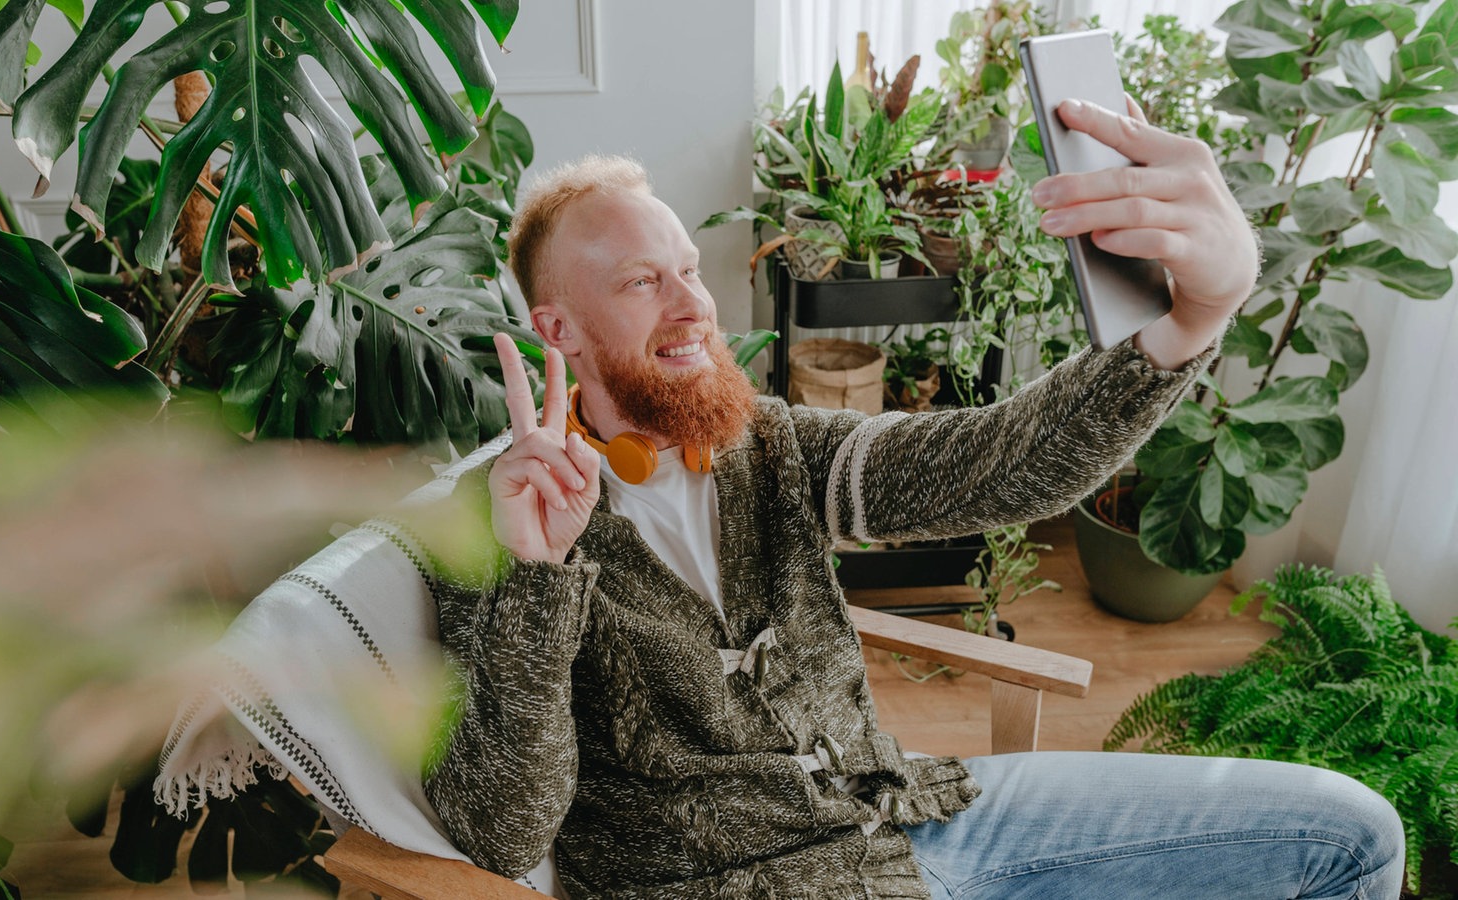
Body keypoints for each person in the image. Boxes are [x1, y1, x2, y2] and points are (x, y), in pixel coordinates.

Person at [421, 99, 1405, 899]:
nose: (692, 306)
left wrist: (1197, 313)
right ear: (562, 329)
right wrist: (538, 576)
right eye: (643, 282)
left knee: (1350, 834)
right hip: (745, 885)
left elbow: (999, 463)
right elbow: (503, 830)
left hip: (920, 812)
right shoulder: (487, 518)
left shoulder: (764, 443)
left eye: (689, 270)